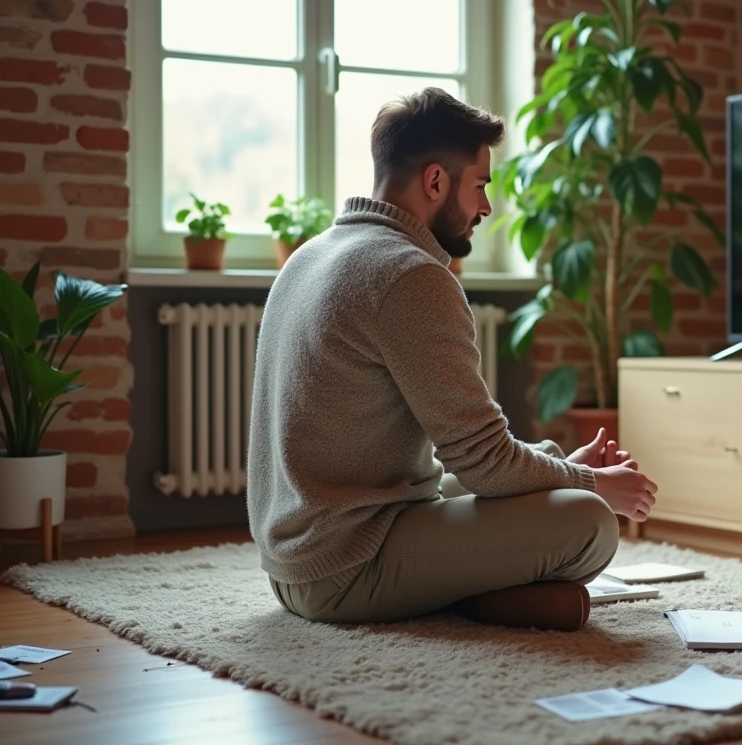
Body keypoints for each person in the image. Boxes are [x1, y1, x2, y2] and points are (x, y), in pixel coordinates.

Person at [246, 87, 657, 632]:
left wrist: (566, 469)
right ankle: (469, 598)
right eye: (481, 185)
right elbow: (486, 464)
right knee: (588, 521)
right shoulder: (409, 274)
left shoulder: (311, 255)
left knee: (549, 469)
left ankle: (469, 593)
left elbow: (467, 467)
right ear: (436, 181)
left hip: (297, 558)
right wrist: (593, 486)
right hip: (344, 568)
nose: (487, 206)